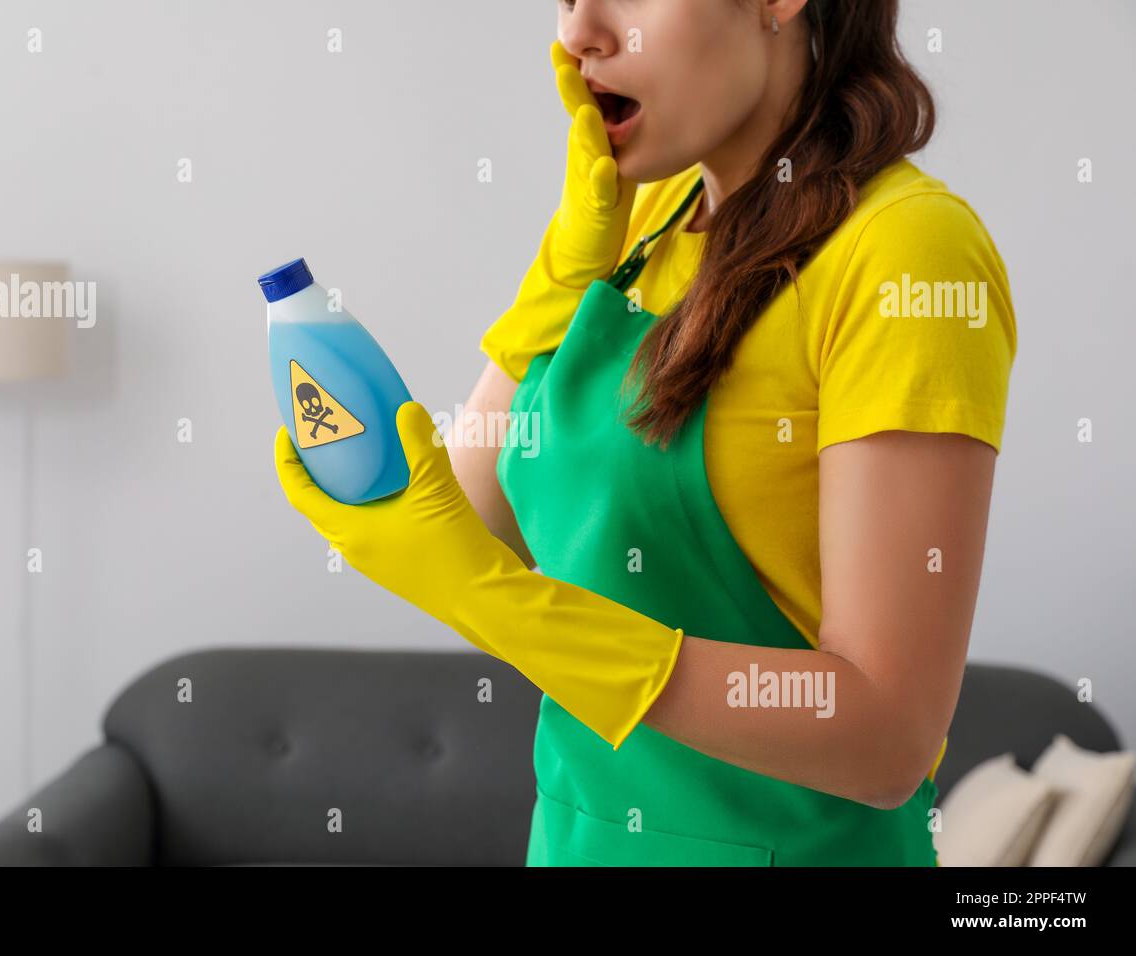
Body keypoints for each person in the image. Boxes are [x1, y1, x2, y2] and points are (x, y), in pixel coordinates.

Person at [275, 0, 1016, 866]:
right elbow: (478, 529)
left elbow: (887, 738)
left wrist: (499, 601)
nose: (577, 31)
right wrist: (561, 273)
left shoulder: (905, 252)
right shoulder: (646, 215)